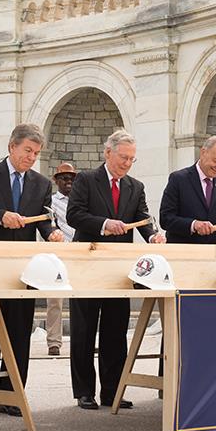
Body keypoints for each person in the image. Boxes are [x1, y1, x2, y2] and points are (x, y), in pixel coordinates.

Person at [0, 124, 63, 418]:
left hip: (24, 268)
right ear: (11, 147)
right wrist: (0, 217)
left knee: (19, 330)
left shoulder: (41, 184)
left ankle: (11, 394)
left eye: (36, 153)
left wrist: (51, 232)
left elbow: (43, 219)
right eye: (27, 151)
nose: (31, 157)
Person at [66, 129, 166, 411]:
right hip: (88, 262)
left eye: (132, 159)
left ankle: (113, 390)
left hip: (119, 269)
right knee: (84, 330)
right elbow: (74, 214)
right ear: (107, 152)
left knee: (115, 329)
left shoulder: (136, 186)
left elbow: (144, 220)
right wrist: (104, 224)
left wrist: (154, 235)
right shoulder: (86, 179)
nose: (127, 163)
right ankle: (84, 391)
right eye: (123, 157)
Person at [46, 162, 77, 356]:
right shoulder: (50, 201)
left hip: (78, 252)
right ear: (56, 180)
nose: (68, 182)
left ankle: (81, 340)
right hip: (57, 253)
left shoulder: (80, 200)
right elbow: (49, 225)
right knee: (55, 300)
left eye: (72, 179)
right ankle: (54, 342)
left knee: (82, 300)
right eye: (64, 178)